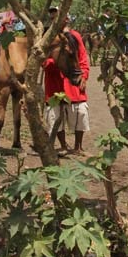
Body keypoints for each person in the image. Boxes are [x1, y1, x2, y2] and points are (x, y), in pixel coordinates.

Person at [43, 16, 91, 154]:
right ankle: (63, 146)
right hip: (54, 80)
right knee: (54, 114)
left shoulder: (75, 36)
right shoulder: (47, 37)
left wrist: (84, 75)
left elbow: (82, 57)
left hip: (73, 80)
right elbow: (42, 60)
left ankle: (78, 146)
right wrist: (53, 63)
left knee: (80, 111)